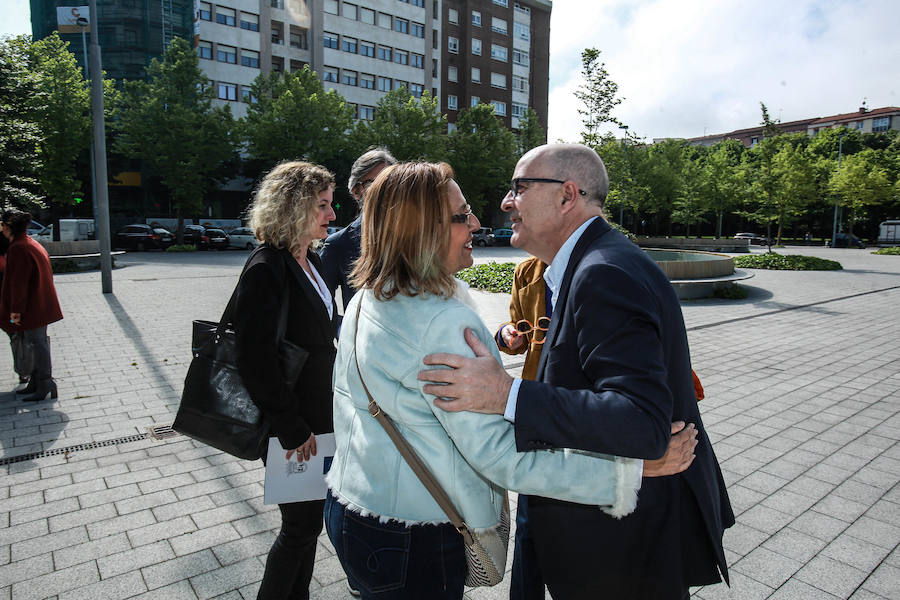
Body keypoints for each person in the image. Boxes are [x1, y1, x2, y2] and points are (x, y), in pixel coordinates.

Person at [323, 161, 695, 600]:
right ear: (420, 230)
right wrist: (627, 474)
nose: (478, 223)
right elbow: (501, 456)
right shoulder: (443, 322)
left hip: (353, 510)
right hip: (412, 535)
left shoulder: (370, 295)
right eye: (462, 216)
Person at [419, 144, 734, 600]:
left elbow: (640, 420)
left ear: (567, 196)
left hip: (623, 549)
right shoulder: (587, 264)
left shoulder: (604, 272)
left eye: (520, 187)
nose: (507, 202)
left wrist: (507, 394)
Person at [232, 161, 338, 600]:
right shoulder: (267, 266)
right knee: (299, 528)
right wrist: (290, 427)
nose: (332, 215)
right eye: (323, 205)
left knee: (307, 525)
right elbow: (254, 359)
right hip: (294, 427)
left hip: (315, 420)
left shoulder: (307, 258)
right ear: (293, 207)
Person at [319, 148, 397, 310]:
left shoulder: (417, 236)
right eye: (374, 183)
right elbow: (321, 307)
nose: (385, 189)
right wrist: (346, 330)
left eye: (391, 181)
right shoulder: (339, 244)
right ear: (356, 191)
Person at [0, 210, 63, 402]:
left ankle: (44, 382)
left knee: (36, 343)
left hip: (31, 306)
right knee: (36, 342)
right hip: (39, 303)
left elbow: (18, 282)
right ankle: (38, 381)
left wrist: (15, 311)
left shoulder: (18, 247)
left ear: (9, 226)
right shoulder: (29, 243)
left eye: (2, 224)